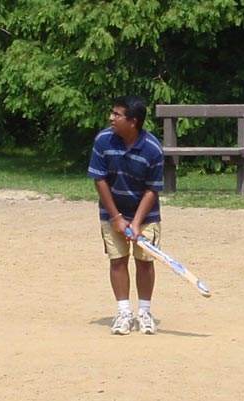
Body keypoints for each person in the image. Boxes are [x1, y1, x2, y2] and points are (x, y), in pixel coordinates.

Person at [87, 95, 164, 335]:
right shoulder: (103, 140)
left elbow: (152, 188)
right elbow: (99, 180)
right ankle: (123, 312)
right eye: (112, 113)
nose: (111, 118)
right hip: (112, 211)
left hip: (146, 213)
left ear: (133, 121)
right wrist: (117, 218)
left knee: (144, 262)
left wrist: (137, 222)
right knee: (118, 260)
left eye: (117, 115)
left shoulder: (152, 148)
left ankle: (144, 312)